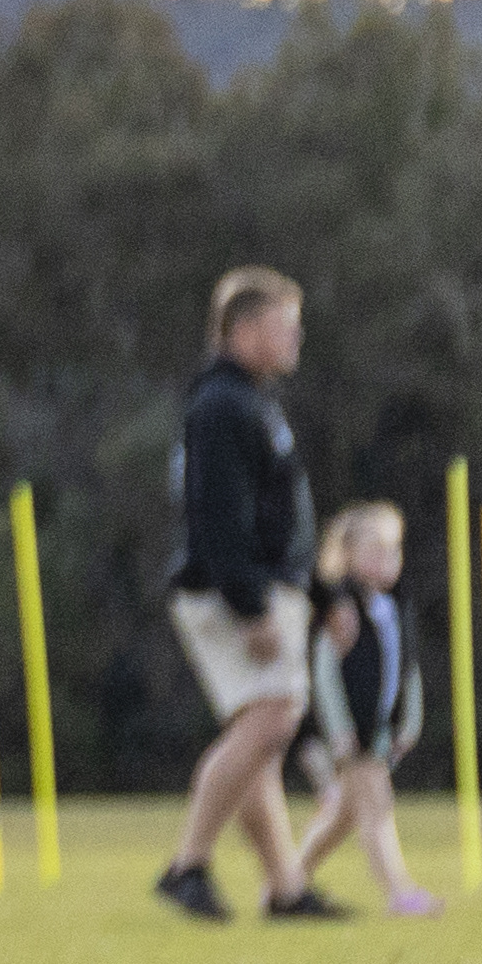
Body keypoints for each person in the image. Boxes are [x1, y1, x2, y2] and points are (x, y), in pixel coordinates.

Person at [159, 269, 331, 923]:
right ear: (244, 330)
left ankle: (286, 886)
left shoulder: (249, 400)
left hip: (260, 584)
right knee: (274, 718)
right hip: (233, 591)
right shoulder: (221, 406)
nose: (296, 336)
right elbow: (218, 515)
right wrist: (251, 604)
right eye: (285, 324)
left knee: (255, 738)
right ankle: (188, 863)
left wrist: (319, 594)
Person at [286, 499, 440, 916]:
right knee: (376, 806)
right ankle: (399, 892)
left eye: (393, 549)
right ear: (348, 554)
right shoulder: (342, 609)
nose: (387, 558)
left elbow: (406, 670)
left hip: (380, 733)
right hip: (351, 735)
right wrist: (337, 729)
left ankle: (286, 883)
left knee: (342, 818)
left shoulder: (394, 608)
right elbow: (323, 672)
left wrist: (410, 721)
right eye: (375, 549)